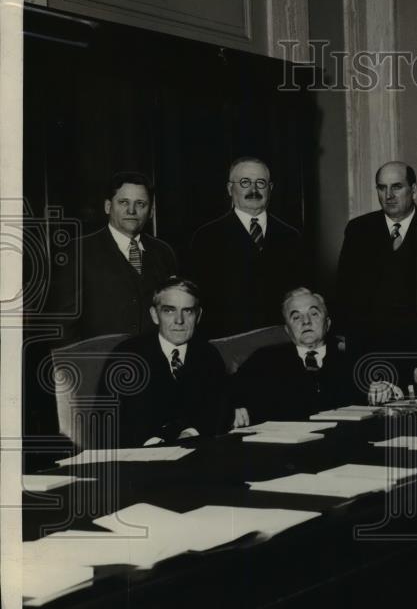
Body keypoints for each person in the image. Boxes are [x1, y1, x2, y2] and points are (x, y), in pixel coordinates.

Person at [333, 162, 417, 389]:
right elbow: (344, 292)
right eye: (382, 187)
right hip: (370, 357)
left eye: (397, 187)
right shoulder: (358, 229)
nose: (388, 195)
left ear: (414, 190)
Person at [50, 172, 177, 343]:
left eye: (140, 204)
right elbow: (63, 324)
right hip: (100, 357)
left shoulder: (163, 252)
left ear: (151, 211)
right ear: (108, 207)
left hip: (153, 357)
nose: (131, 210)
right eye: (123, 202)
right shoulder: (77, 251)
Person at [103, 278, 229, 448]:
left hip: (196, 449)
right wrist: (157, 444)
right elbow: (107, 423)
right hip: (139, 453)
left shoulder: (208, 355)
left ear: (198, 316)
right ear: (155, 315)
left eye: (188, 311)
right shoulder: (127, 356)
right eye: (169, 311)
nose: (179, 320)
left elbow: (218, 411)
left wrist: (191, 433)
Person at [188, 157, 303, 337]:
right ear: (229, 188)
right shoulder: (207, 237)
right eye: (245, 182)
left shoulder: (291, 236)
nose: (253, 190)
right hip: (226, 342)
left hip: (280, 339)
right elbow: (197, 300)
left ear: (270, 188)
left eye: (260, 183)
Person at [231, 288, 356, 426]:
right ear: (288, 330)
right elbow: (230, 392)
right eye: (296, 317)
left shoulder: (350, 359)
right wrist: (234, 408)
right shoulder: (264, 360)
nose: (306, 321)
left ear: (327, 323)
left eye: (314, 314)